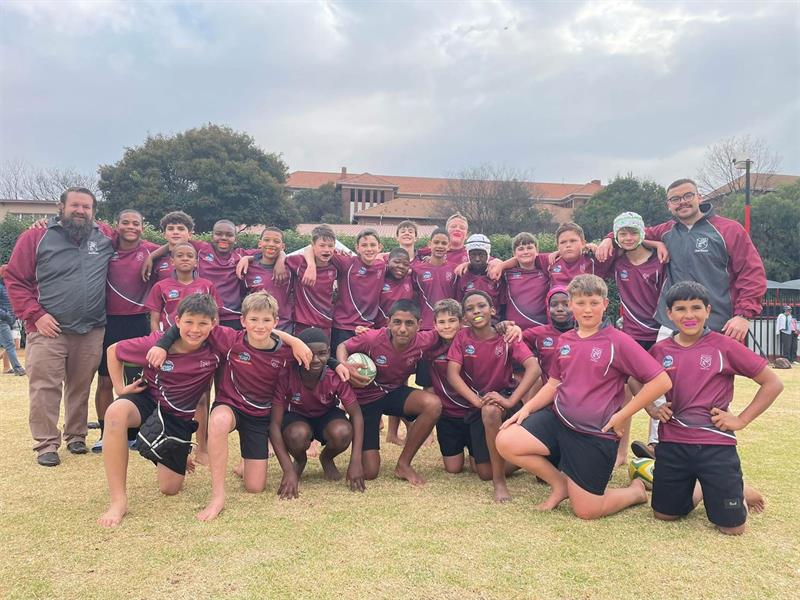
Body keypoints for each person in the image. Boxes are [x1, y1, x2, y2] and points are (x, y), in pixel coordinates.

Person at [596, 178, 767, 455]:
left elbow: (751, 272)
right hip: (670, 322)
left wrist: (744, 314)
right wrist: (607, 238)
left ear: (699, 197)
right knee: (661, 383)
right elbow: (631, 230)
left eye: (687, 196)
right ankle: (659, 445)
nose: (682, 202)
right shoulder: (666, 231)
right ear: (669, 205)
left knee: (712, 388)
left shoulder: (728, 230)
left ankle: (715, 446)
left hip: (717, 322)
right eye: (675, 199)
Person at [496, 275, 672, 519]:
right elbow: (555, 383)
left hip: (594, 433)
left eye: (593, 302)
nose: (587, 309)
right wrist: (526, 410)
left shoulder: (618, 341)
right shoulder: (566, 340)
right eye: (580, 303)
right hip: (558, 421)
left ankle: (635, 492)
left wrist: (623, 414)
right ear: (571, 305)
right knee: (506, 440)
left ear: (605, 304)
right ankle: (559, 485)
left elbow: (661, 381)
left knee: (587, 511)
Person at [644, 281, 783, 534]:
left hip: (715, 444)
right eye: (681, 309)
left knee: (732, 529)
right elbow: (635, 379)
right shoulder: (660, 350)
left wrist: (741, 420)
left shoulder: (724, 346)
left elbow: (772, 383)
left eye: (696, 308)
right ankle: (701, 487)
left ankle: (735, 490)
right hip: (673, 442)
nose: (689, 315)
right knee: (664, 515)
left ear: (708, 310)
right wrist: (652, 409)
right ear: (670, 314)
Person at [6, 187, 114, 467]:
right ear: (61, 207)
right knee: (45, 386)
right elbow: (16, 279)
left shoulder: (104, 236)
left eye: (87, 207)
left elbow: (133, 241)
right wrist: (35, 314)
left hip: (91, 328)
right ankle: (46, 444)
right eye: (75, 206)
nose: (80, 211)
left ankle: (76, 435)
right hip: (47, 328)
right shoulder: (35, 236)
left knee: (80, 386)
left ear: (94, 211)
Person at [97, 293, 222, 527]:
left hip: (177, 418)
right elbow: (113, 351)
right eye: (189, 322)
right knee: (115, 413)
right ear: (177, 321)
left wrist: (295, 342)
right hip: (148, 400)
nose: (195, 329)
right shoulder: (156, 343)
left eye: (203, 323)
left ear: (213, 324)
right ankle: (118, 501)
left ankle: (167, 449)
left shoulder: (216, 347)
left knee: (169, 489)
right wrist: (120, 388)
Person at [336, 299, 442, 486]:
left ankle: (404, 464)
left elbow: (454, 330)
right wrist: (344, 364)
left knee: (433, 404)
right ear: (388, 322)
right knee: (369, 472)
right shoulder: (372, 338)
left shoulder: (425, 339)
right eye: (397, 322)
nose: (402, 329)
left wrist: (504, 328)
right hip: (366, 399)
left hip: (394, 393)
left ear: (419, 325)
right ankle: (360, 444)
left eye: (409, 323)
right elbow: (343, 346)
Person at [447, 291, 540, 502]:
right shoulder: (462, 337)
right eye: (470, 309)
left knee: (491, 411)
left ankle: (500, 483)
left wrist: (509, 401)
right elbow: (452, 374)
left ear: (493, 310)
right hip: (477, 403)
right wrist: (477, 401)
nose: (476, 311)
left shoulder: (505, 335)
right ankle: (531, 458)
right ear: (464, 318)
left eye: (481, 306)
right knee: (481, 472)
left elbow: (533, 368)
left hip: (505, 401)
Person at [92, 209, 160, 452]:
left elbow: (182, 244)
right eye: (125, 222)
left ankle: (133, 433)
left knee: (138, 380)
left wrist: (154, 256)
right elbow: (88, 222)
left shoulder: (150, 249)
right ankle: (104, 432)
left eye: (136, 223)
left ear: (143, 226)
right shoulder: (105, 246)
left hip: (138, 321)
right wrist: (44, 221)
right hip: (109, 321)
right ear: (116, 225)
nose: (131, 227)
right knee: (106, 380)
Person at [272, 327, 365, 494]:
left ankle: (327, 458)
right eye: (309, 353)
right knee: (296, 434)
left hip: (326, 416)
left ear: (328, 352)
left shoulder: (336, 375)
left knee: (342, 432)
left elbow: (356, 415)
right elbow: (274, 425)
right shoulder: (287, 375)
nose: (315, 359)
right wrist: (287, 470)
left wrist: (356, 461)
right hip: (297, 417)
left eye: (322, 353)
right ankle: (300, 461)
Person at [303, 227, 386, 351]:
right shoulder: (346, 262)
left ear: (379, 247)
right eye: (364, 245)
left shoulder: (382, 266)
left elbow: (402, 259)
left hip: (367, 328)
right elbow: (310, 248)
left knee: (365, 367)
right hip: (343, 327)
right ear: (357, 248)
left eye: (372, 245)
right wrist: (311, 266)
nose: (369, 249)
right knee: (340, 366)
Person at [145, 242, 221, 332]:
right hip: (170, 339)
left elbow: (215, 316)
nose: (185, 259)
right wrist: (159, 341)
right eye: (180, 256)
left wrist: (213, 338)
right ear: (172, 262)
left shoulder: (208, 286)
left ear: (196, 262)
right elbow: (154, 320)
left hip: (199, 336)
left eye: (189, 256)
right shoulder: (160, 287)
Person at [284, 225, 339, 339]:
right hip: (303, 323)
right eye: (322, 245)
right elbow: (280, 255)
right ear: (313, 245)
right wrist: (311, 264)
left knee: (322, 355)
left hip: (325, 323)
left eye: (330, 246)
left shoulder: (336, 266)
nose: (326, 249)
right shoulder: (299, 262)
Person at [494, 232, 550, 330]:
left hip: (541, 329)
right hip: (514, 329)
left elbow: (561, 255)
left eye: (529, 248)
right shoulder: (506, 273)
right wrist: (467, 264)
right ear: (514, 254)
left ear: (537, 251)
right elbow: (486, 265)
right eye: (521, 249)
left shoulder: (546, 270)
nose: (525, 252)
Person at [243, 227, 294, 333]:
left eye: (276, 241)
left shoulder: (290, 267)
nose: (271, 244)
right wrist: (246, 258)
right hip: (258, 328)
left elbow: (310, 249)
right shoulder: (248, 268)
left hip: (284, 327)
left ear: (283, 246)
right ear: (260, 243)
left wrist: (282, 257)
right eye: (266, 240)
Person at [411, 228, 458, 330]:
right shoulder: (416, 270)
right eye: (436, 242)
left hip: (448, 326)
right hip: (425, 326)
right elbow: (413, 299)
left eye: (444, 243)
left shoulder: (455, 270)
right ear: (429, 244)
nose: (440, 246)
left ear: (449, 246)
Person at [455, 234, 504, 311]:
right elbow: (459, 305)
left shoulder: (496, 276)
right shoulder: (462, 276)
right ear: (468, 255)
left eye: (481, 255)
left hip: (494, 322)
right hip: (469, 322)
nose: (477, 259)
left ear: (487, 255)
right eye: (473, 255)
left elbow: (503, 304)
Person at [0, 265, 25, 375]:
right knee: (10, 344)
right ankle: (18, 369)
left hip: (11, 319)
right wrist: (6, 315)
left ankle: (11, 368)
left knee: (11, 344)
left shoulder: (9, 287)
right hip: (2, 320)